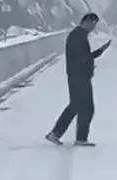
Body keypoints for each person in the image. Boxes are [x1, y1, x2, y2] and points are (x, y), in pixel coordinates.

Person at [46, 14, 111, 146]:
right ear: (87, 22)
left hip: (79, 76)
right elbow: (83, 57)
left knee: (80, 107)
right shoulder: (77, 36)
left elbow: (84, 57)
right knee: (80, 107)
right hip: (78, 76)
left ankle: (70, 136)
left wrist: (97, 54)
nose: (93, 28)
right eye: (93, 24)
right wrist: (98, 53)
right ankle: (61, 134)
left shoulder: (79, 35)